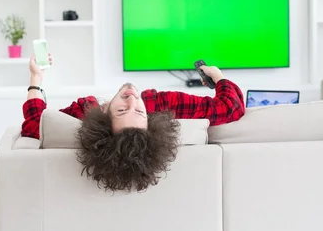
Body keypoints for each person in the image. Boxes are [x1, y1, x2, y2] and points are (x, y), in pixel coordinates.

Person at [21, 54, 245, 193]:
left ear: (104, 119)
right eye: (139, 111)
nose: (132, 99)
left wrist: (36, 78)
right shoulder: (159, 105)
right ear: (151, 121)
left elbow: (35, 125)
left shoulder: (85, 112)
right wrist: (218, 76)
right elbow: (230, 108)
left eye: (121, 110)